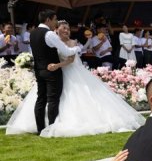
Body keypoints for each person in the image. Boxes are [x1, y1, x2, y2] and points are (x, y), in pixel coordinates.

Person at [8, 19, 144, 137]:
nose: (67, 31)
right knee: (50, 97)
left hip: (71, 72)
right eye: (63, 28)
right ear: (56, 30)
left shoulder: (72, 42)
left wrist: (57, 65)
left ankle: (56, 123)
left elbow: (70, 60)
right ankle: (46, 123)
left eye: (68, 29)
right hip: (56, 74)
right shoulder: (53, 41)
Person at [25, 10, 80, 134]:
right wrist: (77, 48)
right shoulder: (49, 34)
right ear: (48, 19)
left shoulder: (32, 33)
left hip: (39, 70)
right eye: (55, 19)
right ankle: (51, 128)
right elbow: (66, 52)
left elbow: (35, 53)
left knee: (41, 99)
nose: (56, 22)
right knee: (53, 100)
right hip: (52, 71)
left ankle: (40, 129)